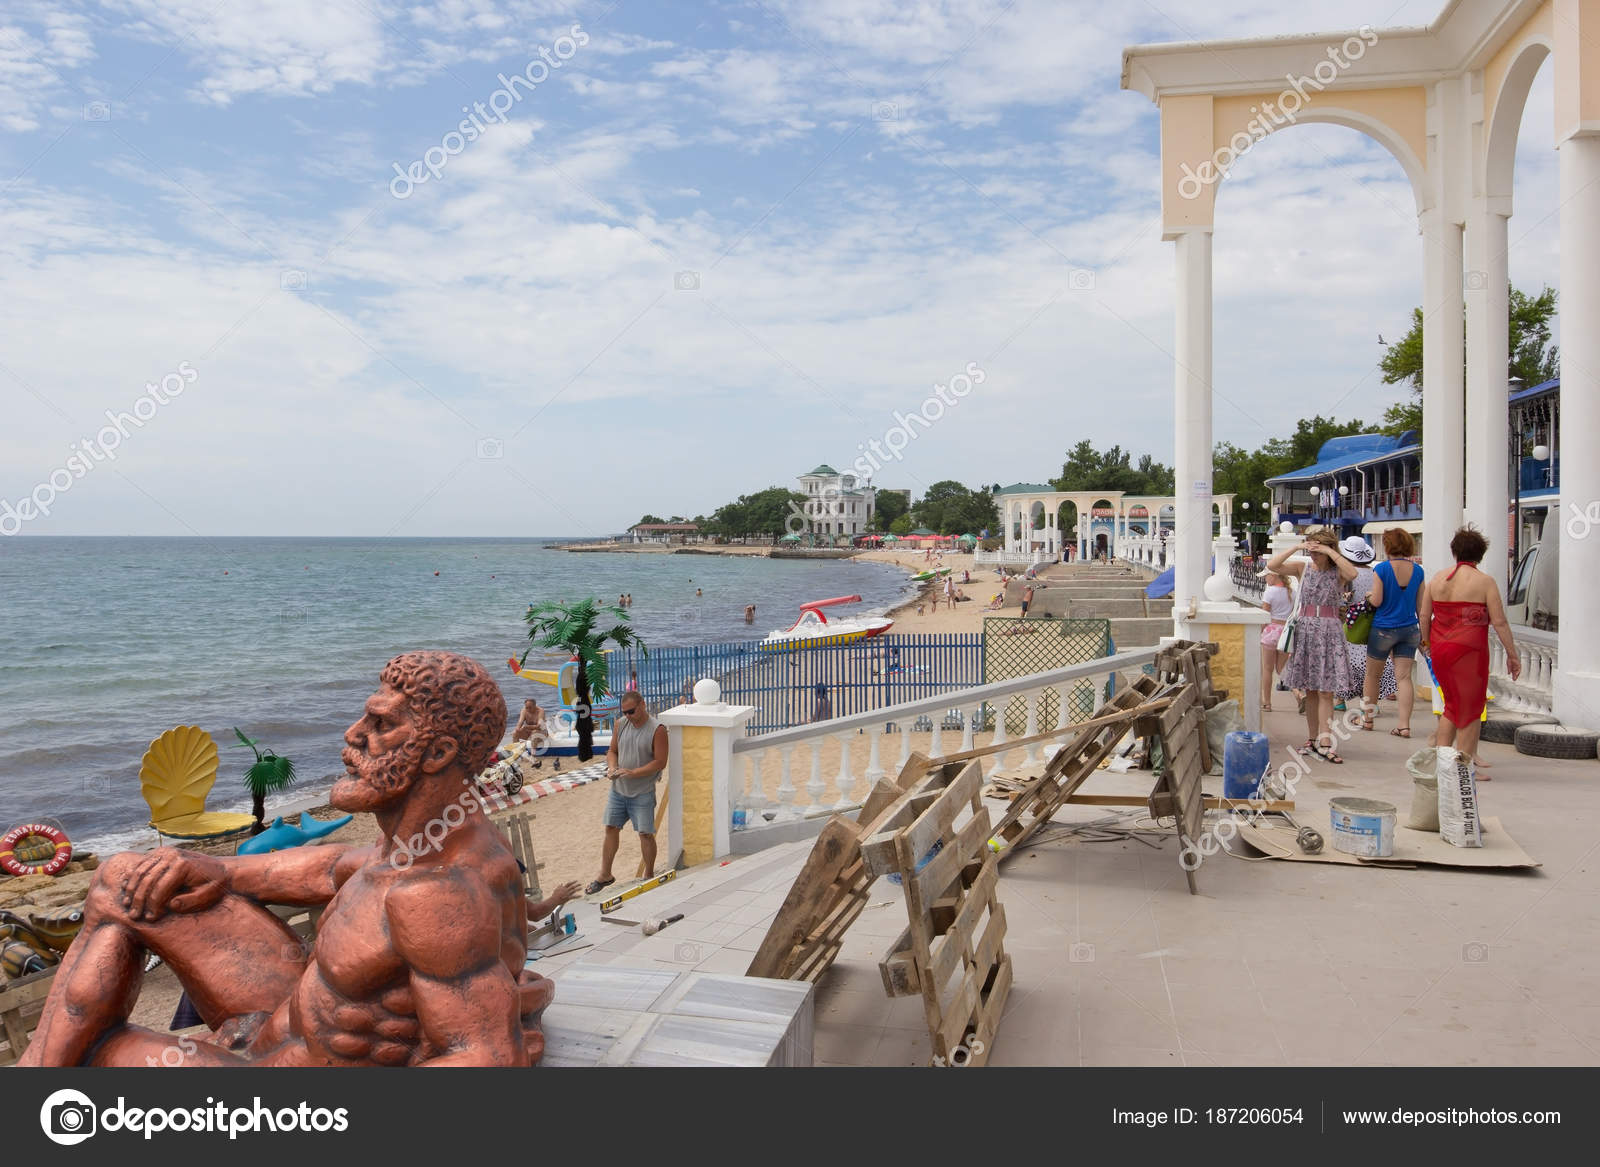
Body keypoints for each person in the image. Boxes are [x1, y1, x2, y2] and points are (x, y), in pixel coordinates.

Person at [20, 651, 553, 1067]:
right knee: (125, 877)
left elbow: (488, 1056)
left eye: (381, 724)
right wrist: (217, 868)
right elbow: (335, 866)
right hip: (287, 1015)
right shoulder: (426, 843)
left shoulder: (440, 894)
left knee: (95, 1055)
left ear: (437, 755)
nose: (353, 735)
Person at [1420, 525, 1520, 770]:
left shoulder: (1437, 579)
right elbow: (1499, 621)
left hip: (1441, 647)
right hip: (1470, 651)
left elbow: (1424, 616)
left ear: (1455, 552)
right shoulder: (1484, 582)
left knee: (1452, 705)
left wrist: (1427, 643)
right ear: (1480, 554)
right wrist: (1512, 654)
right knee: (1471, 706)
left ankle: (1443, 763)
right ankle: (1462, 767)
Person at [1268, 528, 1359, 763]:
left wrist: (1329, 550)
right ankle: (1312, 737)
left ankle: (1326, 739)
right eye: (1312, 549)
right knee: (1310, 689)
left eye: (1318, 550)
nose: (1314, 555)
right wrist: (1298, 547)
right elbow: (1274, 565)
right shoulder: (1303, 567)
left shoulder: (1337, 571)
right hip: (1306, 628)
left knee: (1326, 689)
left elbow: (1352, 573)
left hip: (1329, 629)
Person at [587, 691, 668, 895]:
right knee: (610, 828)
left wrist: (633, 772)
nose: (628, 715)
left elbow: (660, 762)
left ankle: (648, 875)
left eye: (631, 711)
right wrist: (612, 768)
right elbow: (612, 751)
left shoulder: (657, 729)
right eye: (625, 712)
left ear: (642, 705)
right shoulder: (620, 724)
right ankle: (605, 874)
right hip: (618, 790)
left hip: (642, 791)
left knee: (645, 833)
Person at [1364, 527, 1425, 737]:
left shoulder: (1381, 569)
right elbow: (1421, 607)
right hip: (1409, 629)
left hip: (1383, 628)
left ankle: (1368, 719)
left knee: (1372, 676)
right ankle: (1404, 725)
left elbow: (1377, 601)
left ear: (1388, 546)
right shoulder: (1418, 571)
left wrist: (1369, 595)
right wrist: (1424, 635)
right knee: (1404, 678)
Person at [1334, 536, 1378, 716]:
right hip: (1369, 620)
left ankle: (1340, 700)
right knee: (1368, 664)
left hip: (1349, 621)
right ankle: (1367, 700)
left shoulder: (1346, 573)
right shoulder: (1375, 573)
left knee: (1344, 661)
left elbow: (1342, 597)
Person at [1258, 571, 1293, 713]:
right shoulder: (1293, 592)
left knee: (1267, 669)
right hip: (1285, 632)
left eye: (1266, 576)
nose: (1265, 579)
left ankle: (1267, 703)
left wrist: (1259, 632)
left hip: (1271, 631)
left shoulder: (1270, 592)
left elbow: (1265, 615)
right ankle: (1298, 693)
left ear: (1274, 575)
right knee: (1281, 669)